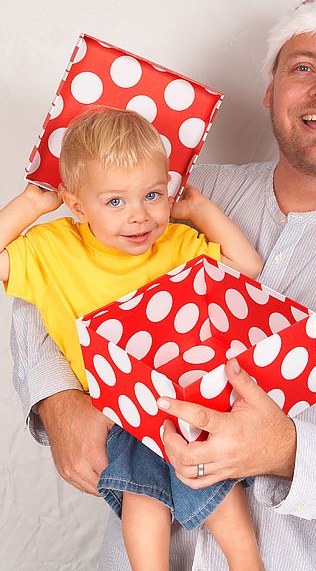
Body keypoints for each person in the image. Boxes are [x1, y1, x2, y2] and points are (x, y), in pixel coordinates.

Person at [10, 0, 316, 570]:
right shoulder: (179, 197)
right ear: (270, 90)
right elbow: (53, 277)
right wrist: (59, 399)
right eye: (301, 68)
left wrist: (288, 451)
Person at [1, 107, 264, 571]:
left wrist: (198, 208)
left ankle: (250, 566)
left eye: (152, 195)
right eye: (115, 202)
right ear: (78, 205)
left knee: (219, 492)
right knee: (143, 499)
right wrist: (32, 204)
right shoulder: (54, 249)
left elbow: (249, 268)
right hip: (119, 408)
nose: (140, 216)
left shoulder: (178, 242)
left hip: (189, 399)